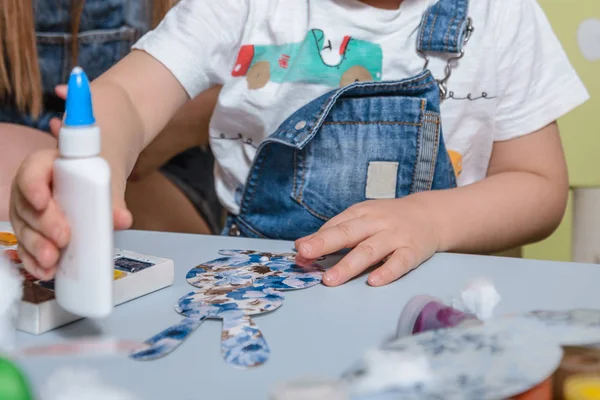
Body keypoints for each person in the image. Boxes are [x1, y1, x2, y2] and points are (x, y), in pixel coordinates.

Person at [10, 0, 589, 288]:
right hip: (263, 304)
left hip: (440, 308)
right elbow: (130, 98)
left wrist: (431, 221)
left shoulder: (502, 14)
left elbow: (538, 187)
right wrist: (94, 162)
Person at [0, 0, 222, 235]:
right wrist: (107, 161)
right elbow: (119, 97)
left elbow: (127, 102)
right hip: (50, 149)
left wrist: (109, 167)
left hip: (166, 170)